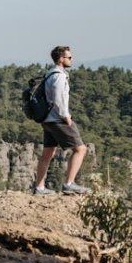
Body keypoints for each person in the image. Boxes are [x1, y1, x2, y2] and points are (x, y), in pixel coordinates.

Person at [33, 46, 90, 195]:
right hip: (58, 119)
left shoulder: (50, 74)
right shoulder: (59, 76)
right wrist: (66, 116)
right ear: (61, 59)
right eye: (69, 57)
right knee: (80, 149)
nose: (71, 60)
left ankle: (39, 188)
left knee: (48, 152)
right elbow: (59, 99)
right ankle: (69, 184)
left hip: (47, 120)